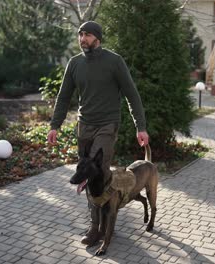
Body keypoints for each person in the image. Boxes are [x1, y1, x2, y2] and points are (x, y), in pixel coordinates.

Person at [47, 21, 149, 246]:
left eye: (88, 35)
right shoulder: (74, 64)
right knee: (85, 171)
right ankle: (96, 224)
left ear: (98, 38)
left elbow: (132, 94)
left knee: (98, 170)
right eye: (80, 34)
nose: (82, 38)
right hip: (85, 125)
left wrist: (140, 126)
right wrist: (55, 125)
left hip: (107, 124)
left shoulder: (114, 61)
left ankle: (100, 227)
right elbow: (64, 97)